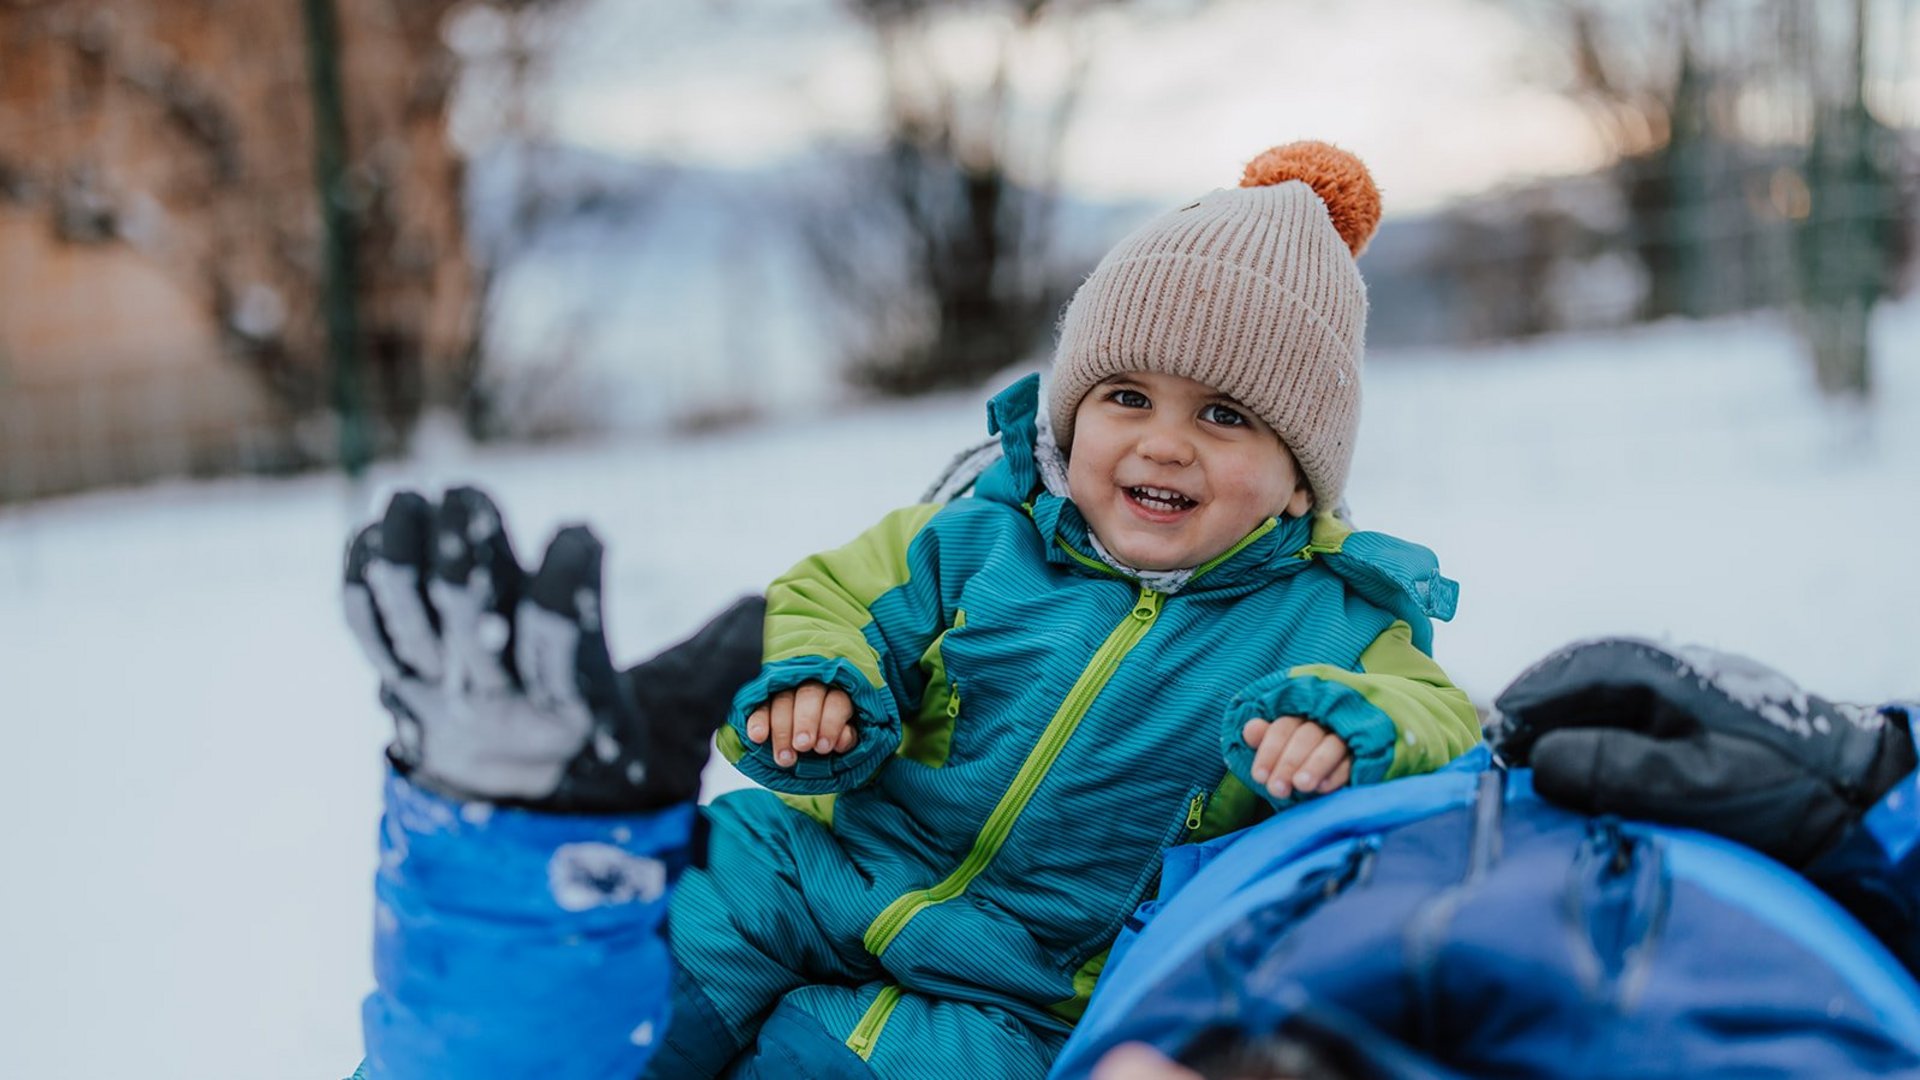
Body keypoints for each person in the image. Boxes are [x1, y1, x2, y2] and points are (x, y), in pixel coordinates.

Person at [648, 141, 1482, 1078]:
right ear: (1070, 418)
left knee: (858, 1065)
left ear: (1300, 481)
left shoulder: (1333, 621)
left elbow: (1445, 720)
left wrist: (1349, 719)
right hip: (830, 870)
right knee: (683, 910)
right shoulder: (973, 540)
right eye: (1128, 397)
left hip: (1036, 988)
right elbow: (828, 596)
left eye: (1224, 416)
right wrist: (817, 683)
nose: (1164, 444)